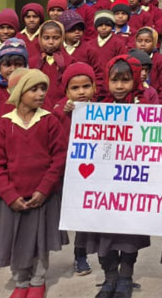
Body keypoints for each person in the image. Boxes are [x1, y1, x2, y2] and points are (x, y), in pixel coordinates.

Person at [0, 68, 67, 298]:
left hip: (42, 197)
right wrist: (9, 195)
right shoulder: (4, 125)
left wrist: (44, 189)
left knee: (39, 242)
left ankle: (38, 280)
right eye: (34, 89)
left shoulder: (49, 121)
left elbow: (58, 158)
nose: (41, 93)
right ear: (19, 93)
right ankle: (21, 282)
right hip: (14, 199)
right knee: (17, 242)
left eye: (43, 88)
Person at [88, 57, 154, 298]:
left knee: (128, 235)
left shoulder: (144, 105)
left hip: (132, 184)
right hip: (103, 184)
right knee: (103, 234)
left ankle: (125, 276)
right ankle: (110, 277)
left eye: (125, 80)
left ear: (135, 80)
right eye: (114, 80)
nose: (119, 86)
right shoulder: (96, 107)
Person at [52, 62, 97, 277]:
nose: (81, 92)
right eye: (75, 88)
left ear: (94, 87)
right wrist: (63, 113)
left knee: (83, 216)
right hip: (64, 171)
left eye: (86, 86)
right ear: (66, 91)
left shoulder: (101, 109)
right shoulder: (59, 110)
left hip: (89, 173)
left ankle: (81, 254)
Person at [0, 38, 29, 123]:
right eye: (7, 65)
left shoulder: (33, 90)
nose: (13, 69)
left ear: (26, 66)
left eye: (18, 65)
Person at [28, 20, 67, 108]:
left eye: (56, 38)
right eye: (46, 38)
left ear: (62, 38)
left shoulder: (70, 61)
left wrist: (62, 104)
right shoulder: (32, 63)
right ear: (40, 38)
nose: (51, 42)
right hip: (38, 108)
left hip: (63, 108)